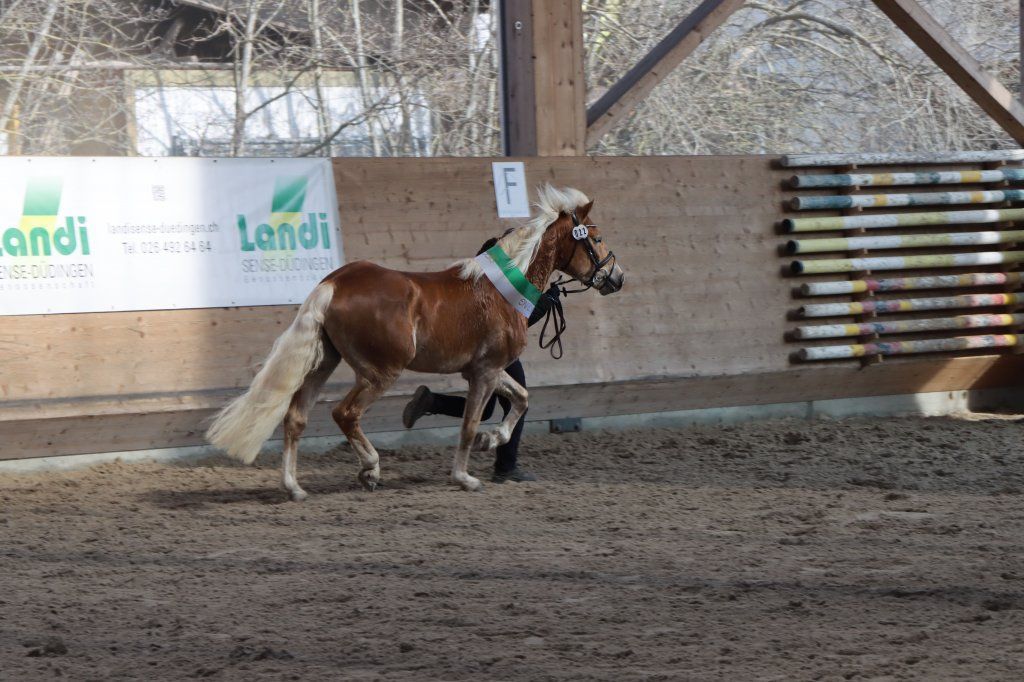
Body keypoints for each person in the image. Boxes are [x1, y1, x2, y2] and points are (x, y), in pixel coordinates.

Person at [401, 234, 561, 483]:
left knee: (486, 410)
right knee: (515, 402)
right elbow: (520, 319)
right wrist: (547, 302)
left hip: (491, 343)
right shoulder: (508, 276)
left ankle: (431, 402)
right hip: (497, 349)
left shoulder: (495, 264)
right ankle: (506, 468)